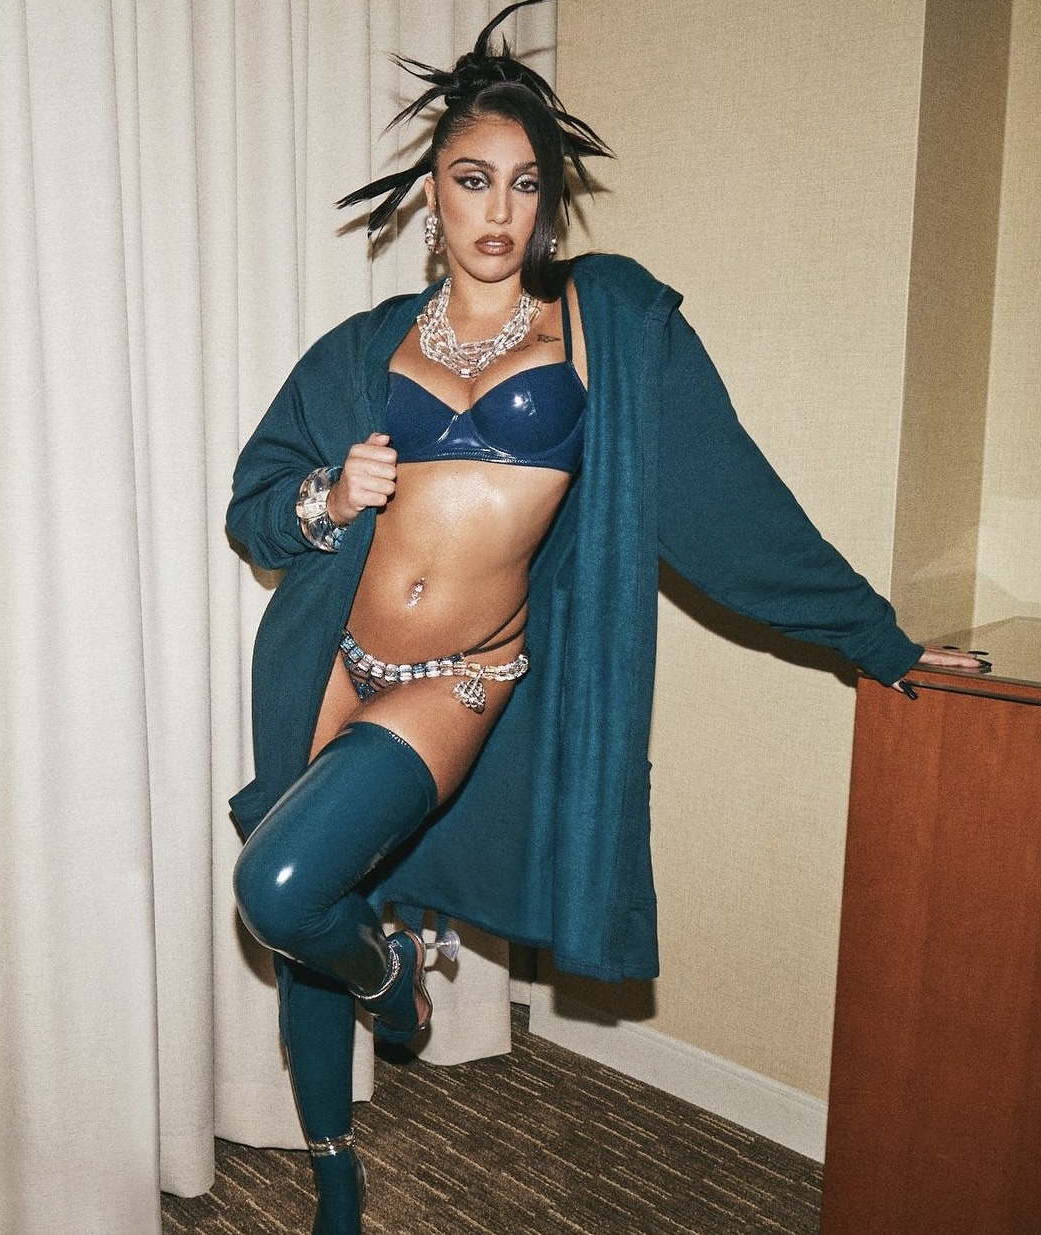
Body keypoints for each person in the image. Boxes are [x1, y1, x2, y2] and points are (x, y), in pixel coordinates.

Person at [225, 3, 985, 1231]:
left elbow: (731, 507)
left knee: (280, 883)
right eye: (473, 178)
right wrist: (326, 495)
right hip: (332, 655)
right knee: (308, 921)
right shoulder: (362, 348)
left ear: (549, 203)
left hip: (457, 677)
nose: (498, 209)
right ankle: (334, 1176)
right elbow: (254, 508)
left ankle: (397, 991)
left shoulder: (606, 326)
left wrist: (876, 640)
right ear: (433, 193)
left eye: (525, 183)